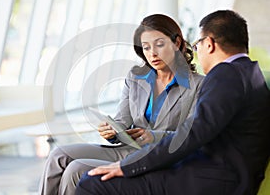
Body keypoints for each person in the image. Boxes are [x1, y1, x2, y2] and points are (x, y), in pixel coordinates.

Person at [75, 10, 270, 195]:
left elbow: (192, 133)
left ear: (209, 44)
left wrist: (129, 166)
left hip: (211, 179)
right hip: (226, 175)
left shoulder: (225, 75)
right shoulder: (252, 73)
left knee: (91, 183)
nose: (198, 52)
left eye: (198, 45)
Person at [38, 14, 204, 195]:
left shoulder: (198, 85)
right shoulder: (136, 77)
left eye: (159, 44)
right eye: (146, 47)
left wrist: (153, 136)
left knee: (76, 169)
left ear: (177, 43)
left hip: (160, 156)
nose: (152, 54)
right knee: (58, 156)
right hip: (127, 149)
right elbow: (122, 120)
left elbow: (193, 135)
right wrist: (111, 131)